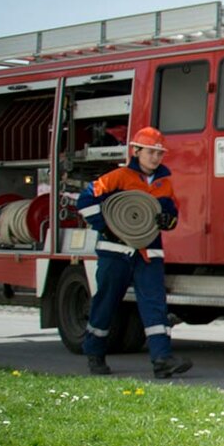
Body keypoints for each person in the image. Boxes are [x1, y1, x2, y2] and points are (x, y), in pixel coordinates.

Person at [76, 126, 190, 378]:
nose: (155, 158)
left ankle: (162, 360)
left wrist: (166, 220)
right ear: (136, 151)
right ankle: (94, 353)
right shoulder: (118, 177)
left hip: (149, 255)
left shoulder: (164, 183)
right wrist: (109, 226)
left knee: (155, 306)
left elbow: (172, 215)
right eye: (150, 152)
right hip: (115, 252)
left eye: (159, 153)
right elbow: (84, 201)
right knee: (106, 302)